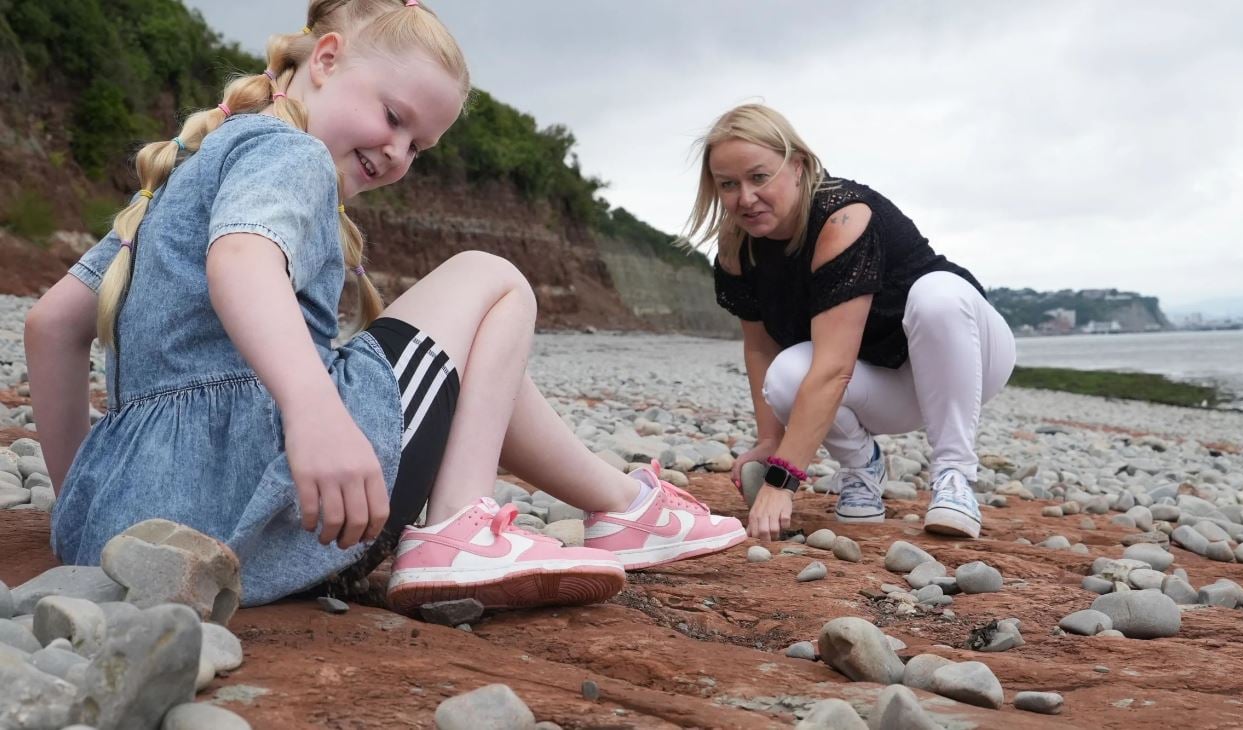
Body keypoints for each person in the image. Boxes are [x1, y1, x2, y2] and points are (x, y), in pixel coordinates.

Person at [23, 0, 745, 615]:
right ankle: (459, 532)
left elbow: (50, 326)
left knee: (474, 354)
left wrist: (85, 506)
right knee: (493, 280)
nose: (398, 153)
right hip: (281, 506)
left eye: (419, 146)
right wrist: (315, 412)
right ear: (327, 60)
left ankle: (622, 505)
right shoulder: (287, 151)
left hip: (136, 532)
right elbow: (241, 262)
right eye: (394, 117)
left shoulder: (183, 175)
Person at [684, 104, 1015, 542]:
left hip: (967, 357)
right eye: (729, 184)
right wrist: (770, 440)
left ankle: (954, 476)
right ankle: (863, 467)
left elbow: (834, 368)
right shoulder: (736, 246)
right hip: (887, 382)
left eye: (759, 177)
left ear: (797, 166)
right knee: (786, 376)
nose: (745, 197)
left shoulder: (842, 217)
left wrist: (783, 481)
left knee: (937, 294)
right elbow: (761, 347)